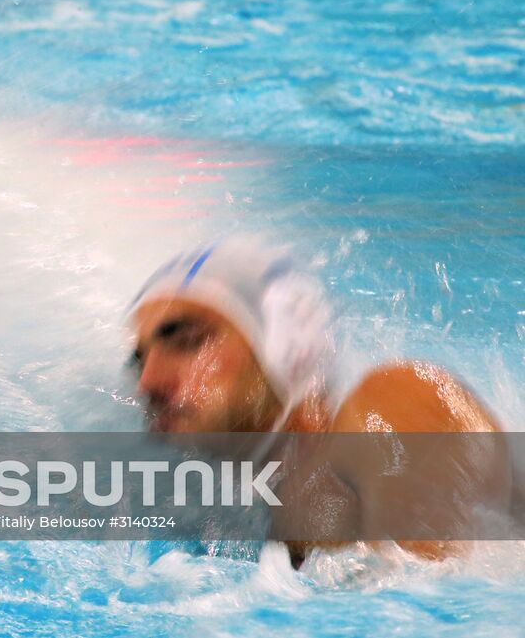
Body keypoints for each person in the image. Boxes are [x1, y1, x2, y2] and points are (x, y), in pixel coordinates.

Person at [127, 235, 513, 562]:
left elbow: (444, 600)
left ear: (286, 351)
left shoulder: (393, 404)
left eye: (187, 341)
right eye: (140, 360)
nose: (147, 383)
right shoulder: (237, 522)